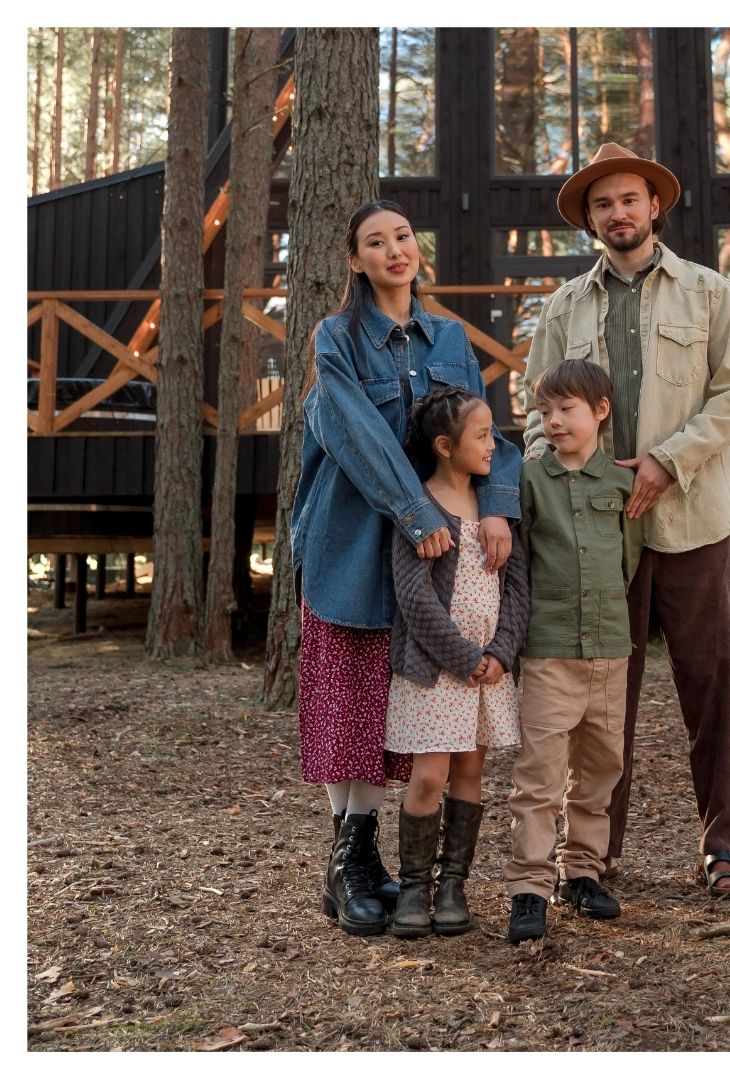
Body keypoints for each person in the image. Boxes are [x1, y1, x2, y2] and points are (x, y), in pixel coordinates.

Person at [523, 143, 730, 898]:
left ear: (654, 206)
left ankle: (721, 844)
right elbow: (538, 417)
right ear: (589, 220)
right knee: (597, 699)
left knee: (716, 681)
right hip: (594, 535)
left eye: (629, 199)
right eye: (602, 204)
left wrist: (668, 459)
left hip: (695, 516)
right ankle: (593, 856)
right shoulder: (563, 308)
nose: (617, 213)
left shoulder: (708, 291)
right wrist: (554, 498)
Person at [291, 200, 521, 937]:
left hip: (433, 552)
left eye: (401, 237)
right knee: (349, 698)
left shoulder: (451, 338)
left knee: (403, 709)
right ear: (354, 261)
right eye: (374, 242)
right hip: (354, 536)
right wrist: (416, 514)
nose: (394, 250)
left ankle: (383, 866)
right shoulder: (337, 337)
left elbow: (482, 426)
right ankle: (348, 860)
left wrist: (497, 501)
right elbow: (354, 432)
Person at [504, 359, 642, 943]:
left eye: (567, 410)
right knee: (538, 774)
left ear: (600, 411)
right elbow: (520, 562)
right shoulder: (531, 480)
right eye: (545, 412)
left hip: (610, 650)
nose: (555, 422)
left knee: (600, 770)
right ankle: (529, 888)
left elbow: (628, 558)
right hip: (549, 651)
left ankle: (582, 873)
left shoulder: (622, 484)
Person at [384, 387, 528, 939]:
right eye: (483, 436)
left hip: (487, 674)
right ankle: (415, 886)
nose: (495, 445)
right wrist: (464, 658)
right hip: (434, 671)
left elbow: (519, 588)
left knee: (471, 772)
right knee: (430, 775)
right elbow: (414, 600)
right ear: (445, 446)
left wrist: (499, 654)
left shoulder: (499, 510)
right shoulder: (421, 510)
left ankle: (453, 886)